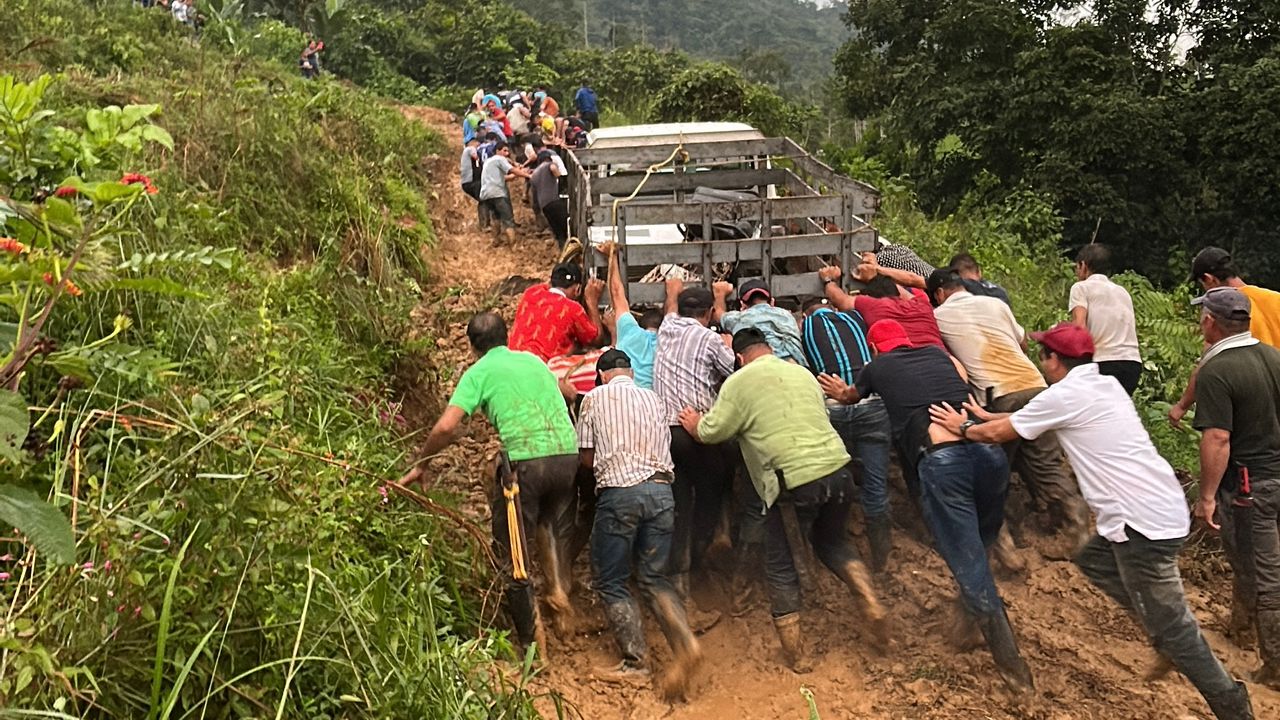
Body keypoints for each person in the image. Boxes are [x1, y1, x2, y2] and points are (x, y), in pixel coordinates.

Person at [930, 321, 1254, 719]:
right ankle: (1161, 630)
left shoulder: (1066, 395)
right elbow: (1027, 416)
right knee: (1093, 558)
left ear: (1053, 361)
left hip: (1141, 524)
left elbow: (999, 434)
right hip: (1156, 506)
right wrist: (983, 414)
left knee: (1176, 631)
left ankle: (1230, 703)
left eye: (1043, 353)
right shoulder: (1102, 384)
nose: (1040, 358)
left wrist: (962, 427)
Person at [818, 320, 1033, 692]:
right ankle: (967, 622)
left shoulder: (876, 366)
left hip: (945, 460)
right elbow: (961, 377)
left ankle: (1016, 674)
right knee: (982, 542)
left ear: (875, 347)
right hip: (989, 452)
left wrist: (840, 390)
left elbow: (852, 397)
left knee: (970, 566)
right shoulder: (937, 353)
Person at [679, 328, 887, 671]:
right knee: (832, 544)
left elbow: (711, 432)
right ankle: (869, 598)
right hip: (837, 469)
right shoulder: (801, 374)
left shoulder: (739, 381)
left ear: (740, 357)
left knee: (780, 566)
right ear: (769, 349)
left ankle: (796, 654)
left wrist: (693, 422)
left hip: (790, 482)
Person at [396, 313, 579, 654]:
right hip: (567, 456)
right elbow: (567, 391)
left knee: (512, 551)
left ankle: (532, 647)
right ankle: (557, 591)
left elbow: (446, 427)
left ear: (471, 347)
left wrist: (422, 463)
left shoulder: (477, 372)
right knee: (544, 522)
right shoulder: (531, 360)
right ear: (506, 337)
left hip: (528, 463)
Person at [927, 270, 1089, 553]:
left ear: (939, 295)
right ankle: (1080, 532)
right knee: (1047, 466)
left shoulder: (938, 317)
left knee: (993, 471)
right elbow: (1024, 343)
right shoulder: (996, 304)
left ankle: (1002, 544)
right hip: (1036, 387)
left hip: (999, 395)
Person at [576, 349, 702, 695]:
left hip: (621, 495)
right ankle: (685, 643)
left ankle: (635, 663)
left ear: (601, 374)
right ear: (630, 372)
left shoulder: (593, 399)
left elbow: (587, 460)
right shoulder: (654, 398)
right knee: (653, 577)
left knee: (611, 581)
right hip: (662, 494)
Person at [1190, 287, 1280, 691]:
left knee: (1265, 574)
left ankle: (1275, 665)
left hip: (1249, 485)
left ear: (1211, 321)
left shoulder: (1217, 369)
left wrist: (1206, 496)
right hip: (1275, 475)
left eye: (1201, 316)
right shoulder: (1273, 357)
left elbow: (1218, 439)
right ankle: (1241, 628)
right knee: (1253, 561)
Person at [653, 281, 736, 599]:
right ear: (710, 313)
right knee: (712, 489)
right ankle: (702, 555)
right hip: (696, 429)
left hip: (666, 433)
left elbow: (669, 309)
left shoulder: (667, 328)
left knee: (679, 500)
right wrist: (727, 345)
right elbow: (735, 373)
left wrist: (671, 291)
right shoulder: (710, 339)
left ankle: (676, 571)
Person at [799, 297, 894, 571]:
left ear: (805, 317)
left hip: (834, 408)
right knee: (877, 486)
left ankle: (828, 542)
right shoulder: (855, 319)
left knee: (831, 471)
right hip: (871, 403)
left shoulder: (805, 328)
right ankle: (881, 560)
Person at [1170, 246, 1280, 426]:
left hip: (1252, 400)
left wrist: (1182, 406)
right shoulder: (1276, 299)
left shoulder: (1226, 312)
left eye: (1202, 284)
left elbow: (1207, 364)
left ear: (1209, 279)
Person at [1069, 244, 1142, 395]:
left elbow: (1079, 327)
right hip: (1132, 364)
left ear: (1083, 265)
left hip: (1104, 362)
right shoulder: (1122, 292)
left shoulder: (1081, 288)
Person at [818, 265, 945, 349]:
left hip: (908, 361)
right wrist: (875, 275)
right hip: (940, 358)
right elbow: (906, 290)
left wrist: (828, 280)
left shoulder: (872, 305)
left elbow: (841, 300)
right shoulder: (922, 304)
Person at [509, 262, 604, 362]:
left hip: (512, 361)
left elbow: (545, 286)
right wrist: (592, 301)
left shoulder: (531, 293)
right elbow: (596, 340)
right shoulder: (572, 308)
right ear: (578, 290)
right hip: (540, 369)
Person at [600, 243, 660, 390]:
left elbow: (617, 293)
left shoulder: (630, 332)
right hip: (654, 404)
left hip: (625, 398)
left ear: (639, 323)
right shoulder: (669, 342)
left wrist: (612, 257)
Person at [714, 279, 807, 367]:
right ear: (772, 302)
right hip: (799, 369)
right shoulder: (787, 315)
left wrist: (720, 293)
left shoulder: (739, 318)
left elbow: (718, 314)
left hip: (762, 370)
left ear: (742, 305)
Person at [477, 141, 531, 245]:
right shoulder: (499, 159)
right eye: (504, 150)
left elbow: (506, 178)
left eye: (508, 151)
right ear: (497, 151)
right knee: (508, 220)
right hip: (498, 193)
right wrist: (527, 175)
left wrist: (519, 171)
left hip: (486, 194)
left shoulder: (488, 162)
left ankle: (496, 240)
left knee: (495, 217)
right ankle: (513, 245)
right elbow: (512, 170)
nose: (507, 153)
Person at [529, 150, 569, 248]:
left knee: (558, 232)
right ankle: (569, 254)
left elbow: (534, 196)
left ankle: (562, 251)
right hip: (555, 201)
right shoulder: (548, 165)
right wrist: (561, 178)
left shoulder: (534, 174)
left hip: (544, 205)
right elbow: (553, 168)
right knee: (566, 228)